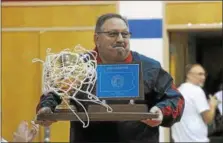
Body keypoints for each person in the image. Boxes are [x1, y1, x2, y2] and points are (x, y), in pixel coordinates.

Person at [35, 13, 185, 143]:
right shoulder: (77, 66)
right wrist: (46, 108)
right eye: (113, 34)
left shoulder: (149, 67)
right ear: (96, 39)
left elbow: (175, 99)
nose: (120, 39)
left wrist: (160, 111)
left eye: (125, 34)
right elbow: (53, 93)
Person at [171, 64, 219, 142]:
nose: (203, 77)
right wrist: (212, 104)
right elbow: (208, 119)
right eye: (199, 74)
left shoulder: (178, 91)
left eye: (204, 74)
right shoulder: (196, 90)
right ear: (188, 75)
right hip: (196, 140)